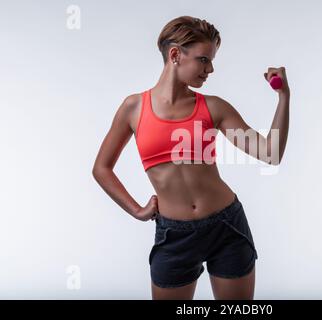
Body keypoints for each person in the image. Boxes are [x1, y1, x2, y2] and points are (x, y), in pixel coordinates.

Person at [92, 15, 290, 300]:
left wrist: (283, 97)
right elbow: (102, 168)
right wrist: (136, 210)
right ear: (175, 55)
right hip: (175, 236)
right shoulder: (133, 108)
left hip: (227, 226)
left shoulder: (213, 107)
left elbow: (270, 154)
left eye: (210, 61)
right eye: (203, 60)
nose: (210, 69)